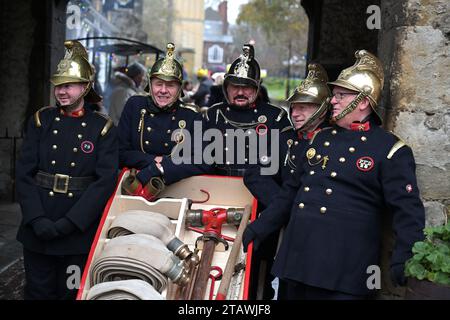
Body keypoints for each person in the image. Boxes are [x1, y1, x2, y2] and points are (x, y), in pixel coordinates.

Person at [243, 50, 426, 300]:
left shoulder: (390, 149)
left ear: (362, 101)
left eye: (341, 95)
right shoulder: (320, 138)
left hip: (344, 270)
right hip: (297, 260)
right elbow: (290, 193)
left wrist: (404, 257)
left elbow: (407, 211)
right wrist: (260, 227)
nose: (332, 101)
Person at [15, 40, 118, 300]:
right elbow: (24, 173)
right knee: (38, 292)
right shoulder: (42, 120)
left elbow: (104, 182)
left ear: (85, 87)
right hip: (38, 226)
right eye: (59, 85)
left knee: (70, 293)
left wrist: (69, 223)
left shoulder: (101, 127)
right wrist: (36, 219)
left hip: (75, 232)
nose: (61, 91)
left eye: (68, 85)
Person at [243, 63, 332, 299]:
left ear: (322, 109)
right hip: (278, 223)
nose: (296, 114)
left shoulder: (335, 143)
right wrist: (283, 208)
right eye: (294, 107)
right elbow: (254, 172)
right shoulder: (283, 138)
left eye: (305, 108)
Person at [118, 43, 209, 200]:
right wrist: (154, 161)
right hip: (134, 188)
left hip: (177, 194)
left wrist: (161, 169)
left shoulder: (191, 116)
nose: (163, 90)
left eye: (170, 85)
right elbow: (119, 152)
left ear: (180, 88)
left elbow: (202, 162)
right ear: (150, 84)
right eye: (158, 84)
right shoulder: (135, 106)